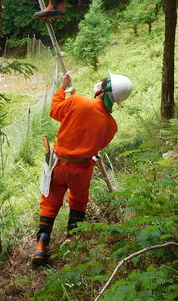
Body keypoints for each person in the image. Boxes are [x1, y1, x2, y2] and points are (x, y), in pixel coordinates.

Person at [32, 71, 133, 267]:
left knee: (50, 202)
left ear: (103, 90)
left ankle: (41, 246)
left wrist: (62, 88)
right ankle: (72, 241)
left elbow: (55, 111)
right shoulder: (112, 126)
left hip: (59, 164)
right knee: (78, 202)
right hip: (82, 169)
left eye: (102, 83)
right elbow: (92, 136)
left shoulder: (77, 101)